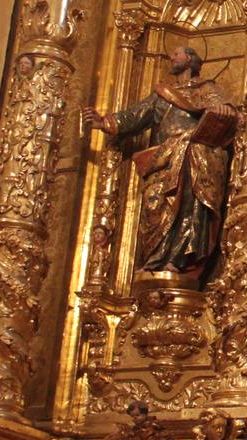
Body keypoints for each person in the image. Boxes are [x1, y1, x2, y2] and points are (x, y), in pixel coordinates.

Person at [83, 46, 237, 279]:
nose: (171, 57)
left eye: (177, 54)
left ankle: (181, 261)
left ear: (190, 59)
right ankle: (157, 259)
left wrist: (225, 111)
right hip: (163, 161)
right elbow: (136, 115)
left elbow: (228, 114)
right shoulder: (162, 94)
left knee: (190, 204)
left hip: (194, 159)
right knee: (156, 207)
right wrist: (104, 122)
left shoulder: (207, 90)